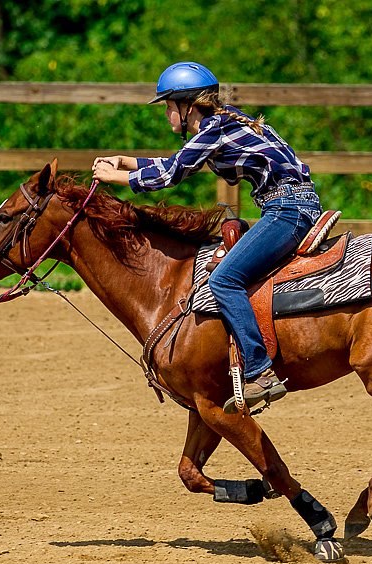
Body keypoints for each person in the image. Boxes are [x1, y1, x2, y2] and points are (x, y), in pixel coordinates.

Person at [92, 61, 322, 413]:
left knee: (225, 279)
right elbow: (179, 161)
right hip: (292, 205)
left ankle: (260, 372)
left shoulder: (214, 129)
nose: (167, 115)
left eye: (169, 107)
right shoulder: (225, 120)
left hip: (286, 210)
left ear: (189, 106)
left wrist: (115, 179)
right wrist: (127, 160)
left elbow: (170, 174)